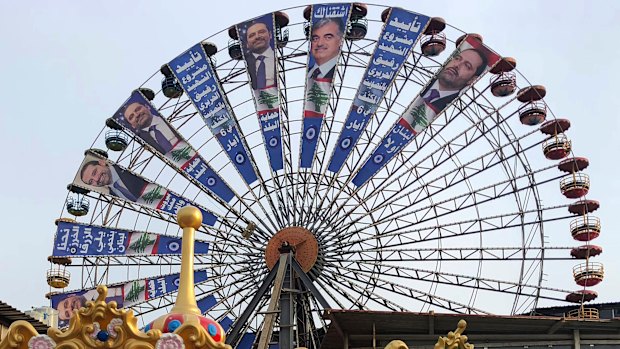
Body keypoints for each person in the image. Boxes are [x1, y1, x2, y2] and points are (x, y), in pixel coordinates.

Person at [420, 48, 488, 113]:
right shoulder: (422, 84)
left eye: (467, 66)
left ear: (472, 80)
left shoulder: (451, 109)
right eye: (457, 58)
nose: (457, 65)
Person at [79, 159, 147, 202]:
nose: (96, 179)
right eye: (91, 181)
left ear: (102, 163)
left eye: (95, 172)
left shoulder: (125, 166)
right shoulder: (113, 195)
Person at [56, 287, 123, 327]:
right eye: (67, 313)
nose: (70, 308)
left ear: (71, 295)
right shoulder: (95, 325)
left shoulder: (97, 291)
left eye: (66, 304)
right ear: (72, 318)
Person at [244, 21, 276, 90]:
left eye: (261, 32)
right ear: (247, 43)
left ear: (270, 35)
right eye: (252, 35)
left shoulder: (280, 58)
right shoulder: (247, 65)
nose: (257, 37)